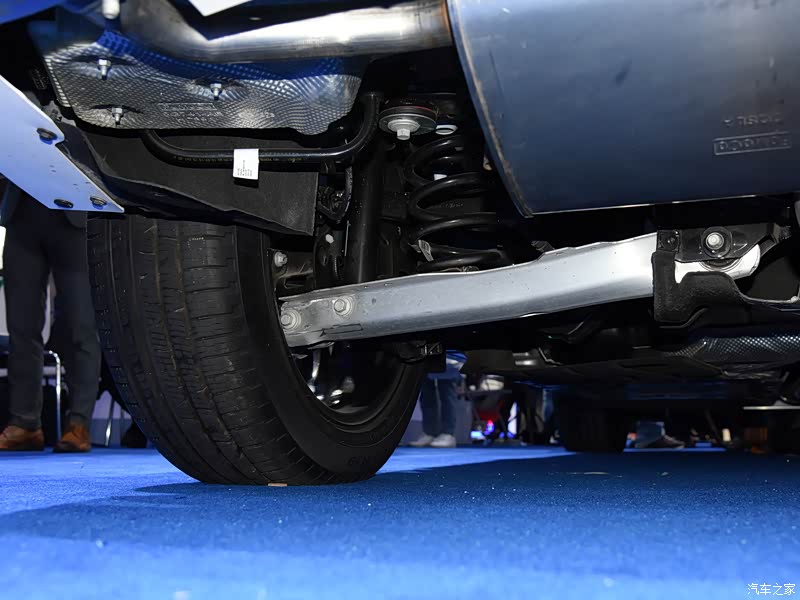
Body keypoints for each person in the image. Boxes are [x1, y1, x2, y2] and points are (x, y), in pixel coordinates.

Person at [0, 184, 100, 452]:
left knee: (82, 326)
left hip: (74, 210)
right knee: (21, 328)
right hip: (20, 211)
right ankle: (25, 423)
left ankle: (79, 423)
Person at [409, 355, 463, 448]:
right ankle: (429, 433)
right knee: (426, 396)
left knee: (447, 396)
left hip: (449, 358)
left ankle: (448, 434)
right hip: (427, 358)